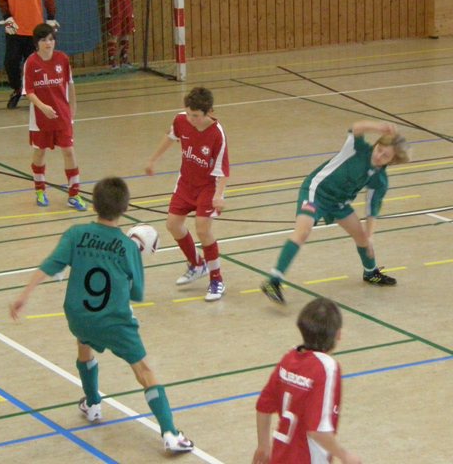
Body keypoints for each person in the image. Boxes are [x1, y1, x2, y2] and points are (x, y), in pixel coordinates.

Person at [9, 176, 194, 455]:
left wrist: (24, 295)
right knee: (144, 372)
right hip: (114, 322)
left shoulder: (75, 234)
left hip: (78, 317)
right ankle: (170, 433)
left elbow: (50, 264)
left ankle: (93, 403)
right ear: (125, 208)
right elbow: (136, 292)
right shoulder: (128, 247)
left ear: (93, 204)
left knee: (84, 343)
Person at [261, 121, 411, 305]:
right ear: (376, 144)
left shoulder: (379, 180)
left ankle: (371, 273)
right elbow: (356, 128)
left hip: (339, 204)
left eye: (385, 156)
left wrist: (370, 236)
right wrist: (378, 127)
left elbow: (372, 210)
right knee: (303, 231)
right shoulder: (357, 148)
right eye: (379, 149)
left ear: (392, 161)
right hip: (316, 193)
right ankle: (273, 281)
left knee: (362, 239)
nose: (379, 155)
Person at [253, 297, 362, 464]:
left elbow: (263, 406)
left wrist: (263, 446)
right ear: (338, 334)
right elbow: (316, 430)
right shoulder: (327, 367)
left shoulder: (289, 358)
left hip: (280, 457)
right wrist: (344, 455)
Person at [145, 86, 229, 302]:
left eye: (196, 116)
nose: (191, 119)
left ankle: (217, 280)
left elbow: (223, 169)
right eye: (189, 114)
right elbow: (170, 137)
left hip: (208, 187)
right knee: (173, 224)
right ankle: (196, 264)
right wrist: (153, 160)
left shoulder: (217, 134)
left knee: (202, 229)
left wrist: (219, 196)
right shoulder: (181, 120)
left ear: (209, 112)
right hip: (186, 183)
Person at [23, 23, 86, 211]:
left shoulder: (62, 59)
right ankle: (40, 190)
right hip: (40, 118)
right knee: (40, 152)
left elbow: (70, 85)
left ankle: (74, 195)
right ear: (37, 43)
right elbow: (29, 91)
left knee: (69, 151)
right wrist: (43, 107)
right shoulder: (31, 63)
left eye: (51, 39)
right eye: (43, 40)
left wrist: (72, 110)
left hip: (62, 116)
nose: (48, 43)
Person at [0, 0, 57, 109]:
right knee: (10, 62)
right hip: (15, 29)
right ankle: (17, 89)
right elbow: (2, 0)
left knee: (35, 65)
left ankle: (37, 95)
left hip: (35, 30)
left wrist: (51, 18)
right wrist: (7, 17)